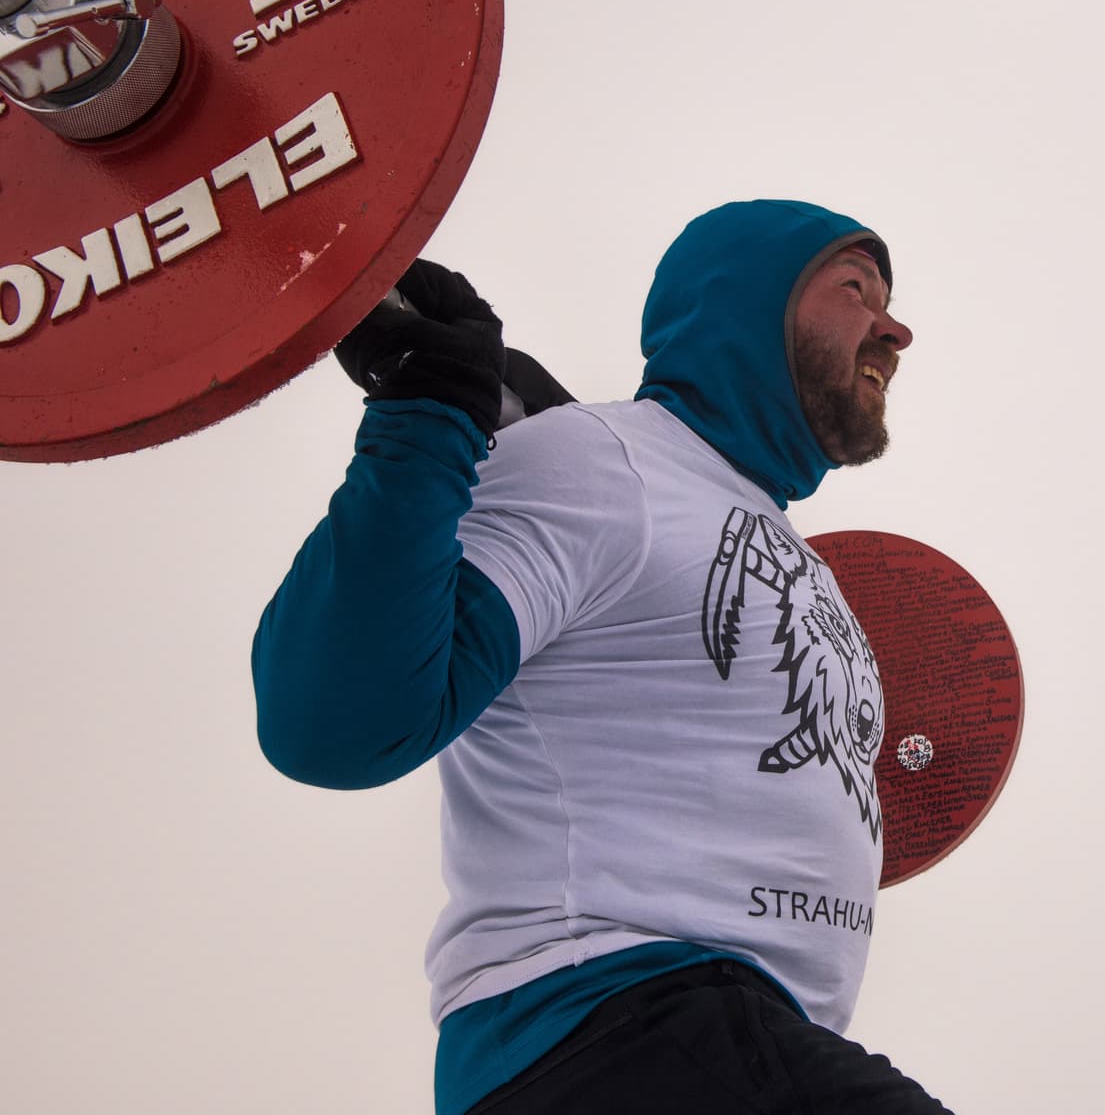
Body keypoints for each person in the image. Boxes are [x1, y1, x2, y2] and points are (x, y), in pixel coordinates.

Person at [252, 198, 953, 1114]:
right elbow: (336, 722)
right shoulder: (599, 462)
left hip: (742, 1040)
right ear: (749, 300)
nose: (895, 331)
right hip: (612, 1021)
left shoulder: (741, 525)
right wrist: (429, 411)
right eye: (856, 290)